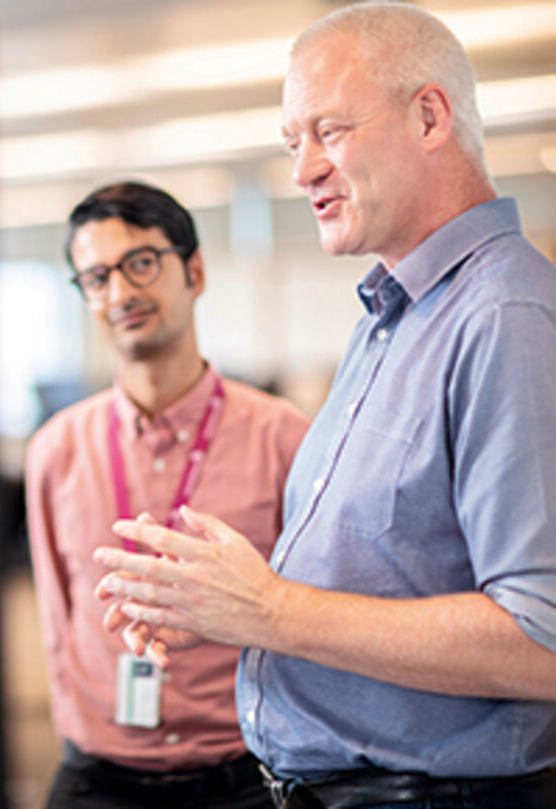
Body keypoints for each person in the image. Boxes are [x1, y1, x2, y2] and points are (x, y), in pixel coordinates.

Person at [93, 4, 556, 809]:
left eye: (329, 130)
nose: (303, 169)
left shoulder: (504, 317)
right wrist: (220, 601)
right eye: (291, 142)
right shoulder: (392, 318)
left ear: (429, 115)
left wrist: (270, 608)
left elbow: (541, 639)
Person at [25, 181, 308, 809]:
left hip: (246, 776)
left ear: (195, 271)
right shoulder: (55, 450)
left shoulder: (282, 436)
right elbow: (55, 624)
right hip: (99, 779)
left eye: (141, 263)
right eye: (96, 277)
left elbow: (310, 613)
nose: (121, 292)